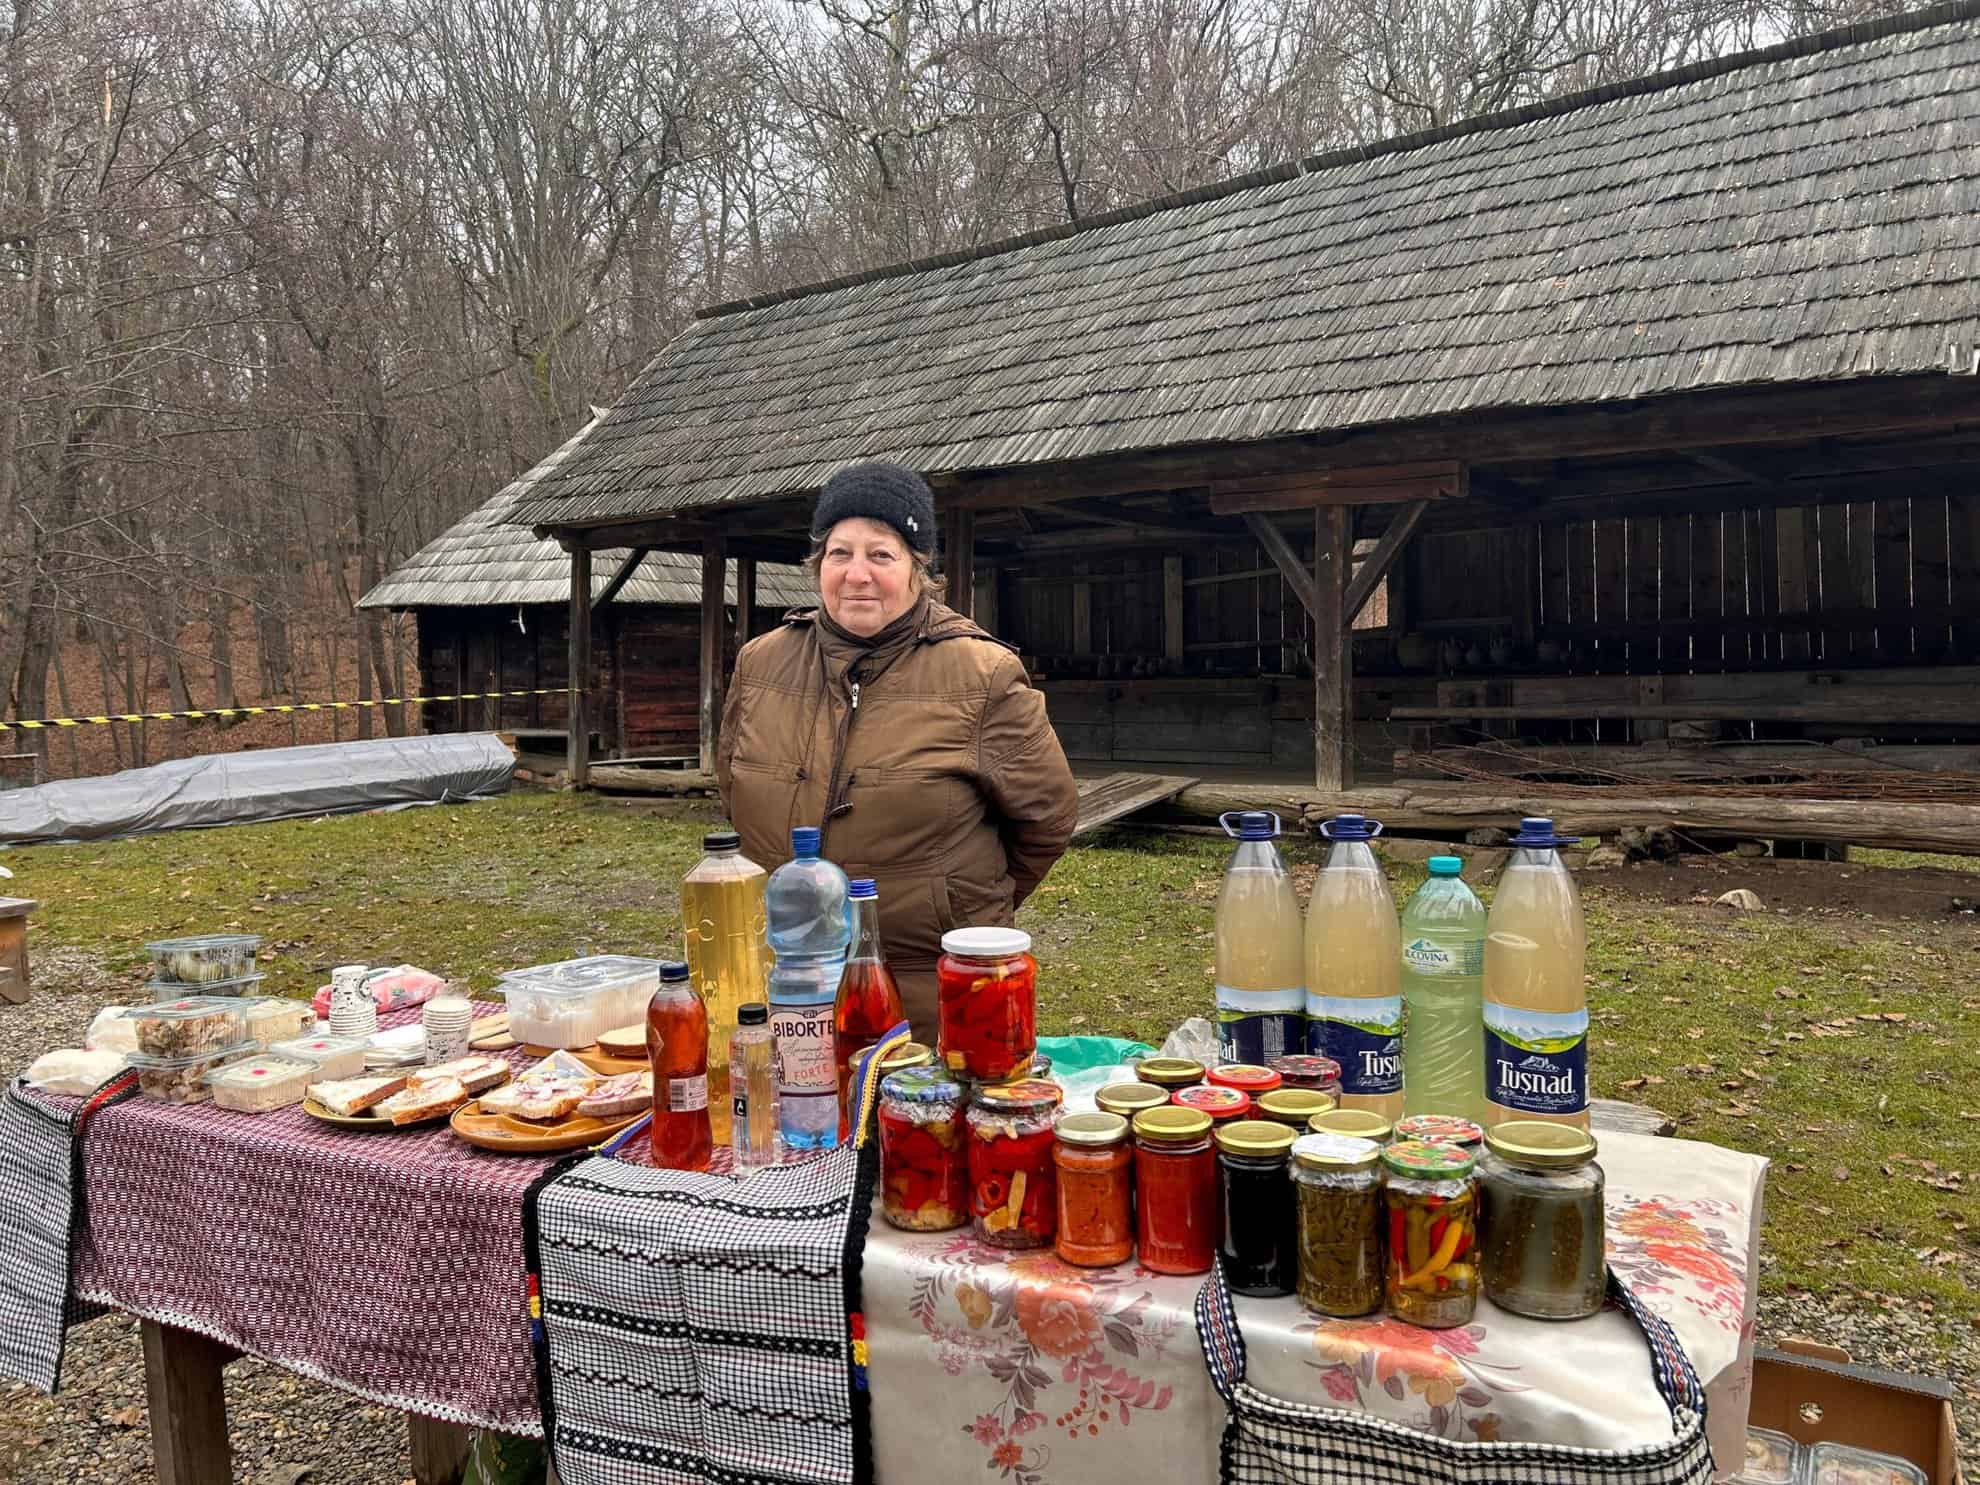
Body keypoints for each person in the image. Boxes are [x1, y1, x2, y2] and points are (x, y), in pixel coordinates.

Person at [717, 461, 1079, 1039]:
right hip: (786, 981)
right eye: (840, 553)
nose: (857, 574)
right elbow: (734, 789)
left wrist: (958, 905)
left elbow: (1047, 820)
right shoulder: (761, 664)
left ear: (918, 567)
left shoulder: (982, 673)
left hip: (929, 993)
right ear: (818, 565)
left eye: (881, 555)